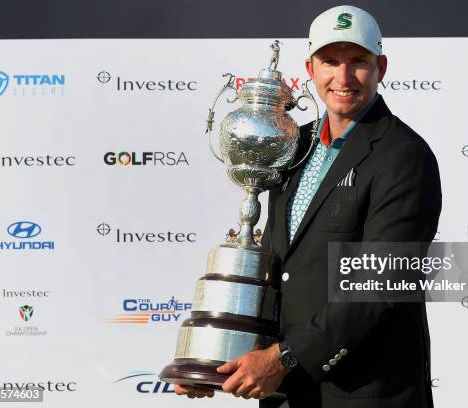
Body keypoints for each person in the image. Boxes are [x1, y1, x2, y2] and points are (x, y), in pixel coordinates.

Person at [176, 5, 441, 407]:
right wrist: (217, 363)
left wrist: (284, 357)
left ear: (381, 67)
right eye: (330, 61)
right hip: (290, 392)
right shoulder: (291, 144)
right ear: (311, 68)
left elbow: (378, 285)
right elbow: (278, 266)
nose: (344, 77)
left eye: (358, 62)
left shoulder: (404, 156)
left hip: (366, 391)